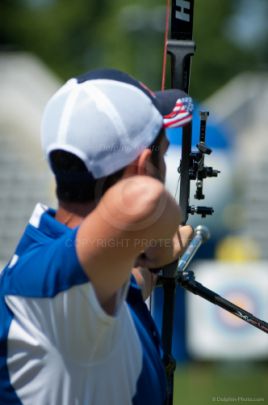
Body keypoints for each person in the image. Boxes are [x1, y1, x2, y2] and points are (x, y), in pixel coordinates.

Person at [0, 68, 194, 404]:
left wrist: (146, 259)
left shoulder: (69, 261)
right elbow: (142, 201)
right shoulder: (54, 284)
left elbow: (127, 282)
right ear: (142, 165)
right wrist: (154, 237)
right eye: (161, 155)